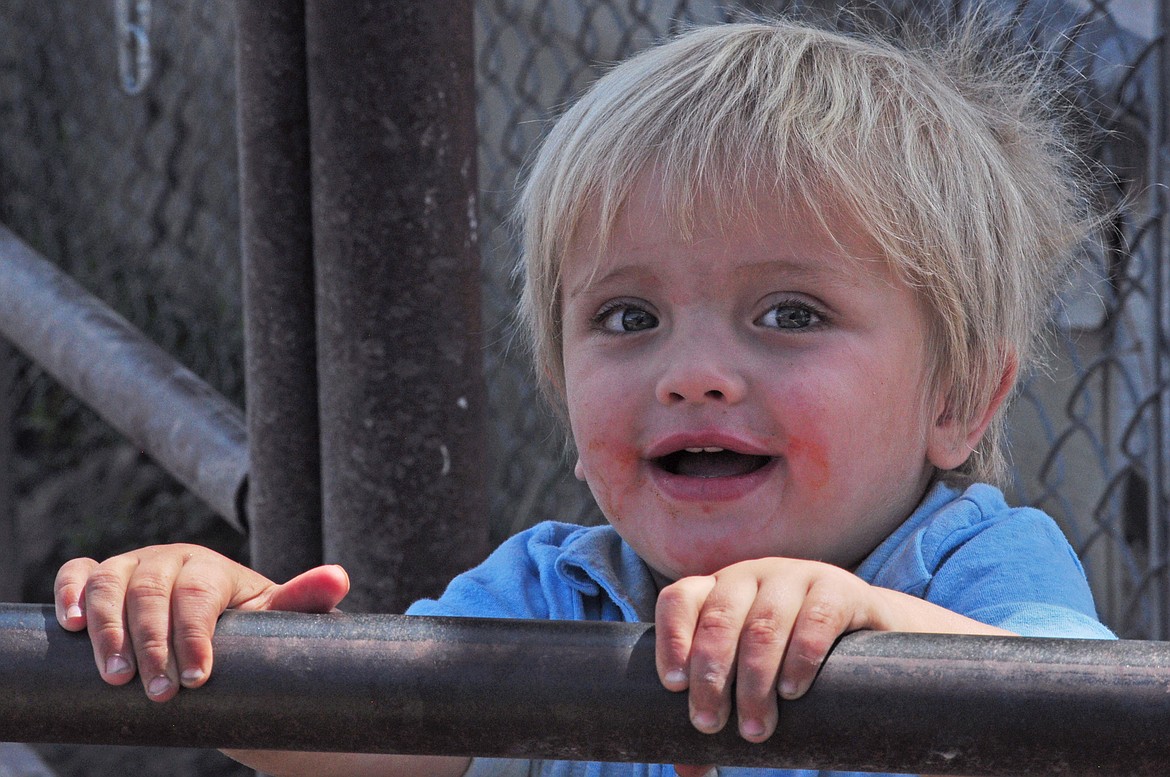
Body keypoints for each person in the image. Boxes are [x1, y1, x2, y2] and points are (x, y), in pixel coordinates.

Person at [53, 16, 1114, 777]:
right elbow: (374, 747)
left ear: (962, 396)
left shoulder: (967, 567)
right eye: (627, 319)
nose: (690, 372)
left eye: (791, 314)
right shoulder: (555, 590)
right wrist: (211, 637)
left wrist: (872, 626)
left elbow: (1098, 733)